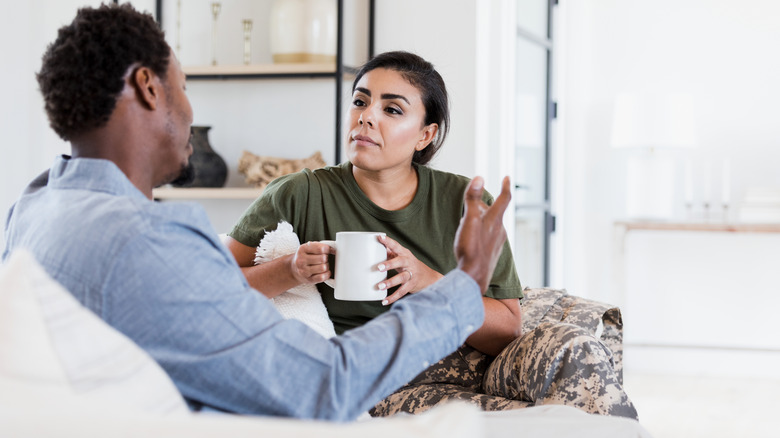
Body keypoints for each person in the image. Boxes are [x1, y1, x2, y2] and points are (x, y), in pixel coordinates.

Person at [1, 3, 512, 421]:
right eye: (184, 86)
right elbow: (325, 386)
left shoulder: (35, 206)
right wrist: (465, 280)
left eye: (392, 108)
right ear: (148, 88)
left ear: (426, 135)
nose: (191, 110)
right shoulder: (151, 245)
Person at [225, 51, 638, 419]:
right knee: (550, 418)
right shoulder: (298, 194)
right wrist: (290, 270)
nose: (366, 117)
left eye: (392, 109)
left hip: (479, 362)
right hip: (386, 377)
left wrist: (428, 281)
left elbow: (508, 329)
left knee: (576, 347)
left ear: (426, 135)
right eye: (360, 101)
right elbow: (212, 289)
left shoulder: (464, 200)